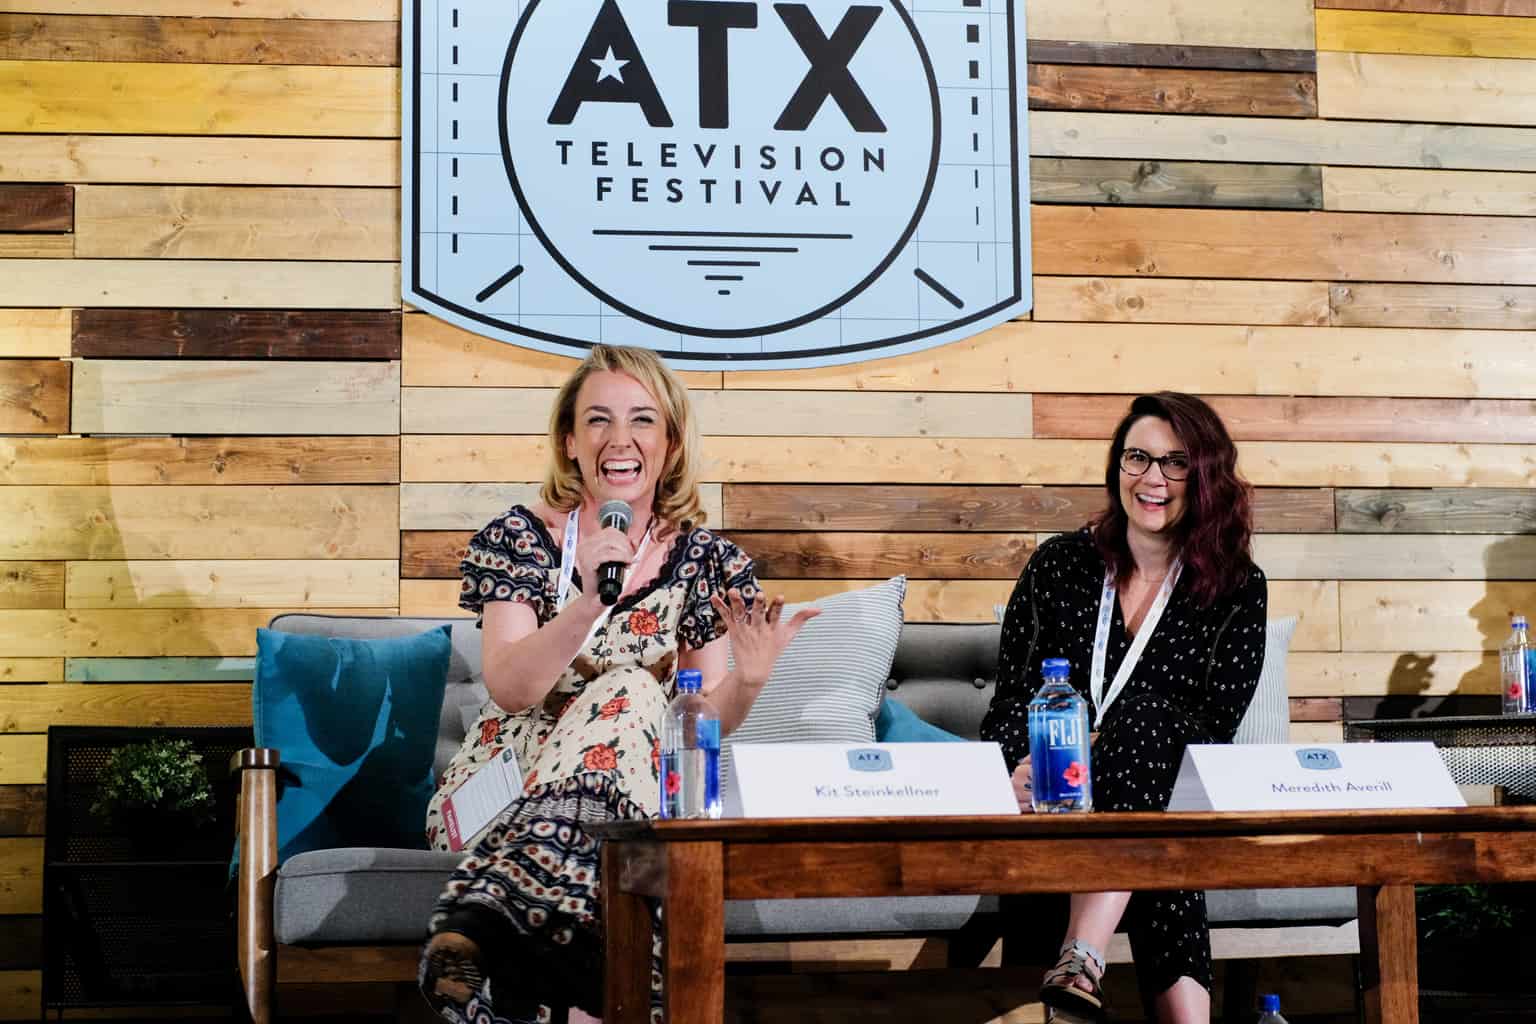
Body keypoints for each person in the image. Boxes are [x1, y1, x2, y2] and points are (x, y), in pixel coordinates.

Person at [418, 344, 817, 1024]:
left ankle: (493, 928)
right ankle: (579, 965)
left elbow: (697, 721)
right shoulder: (520, 539)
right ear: (569, 442)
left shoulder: (704, 561)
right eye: (598, 420)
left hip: (627, 798)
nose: (620, 439)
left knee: (638, 700)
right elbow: (512, 689)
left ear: (670, 443)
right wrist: (586, 602)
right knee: (631, 689)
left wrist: (750, 681)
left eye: (642, 420)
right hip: (504, 786)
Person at [980, 392, 1267, 1023]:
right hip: (1062, 799)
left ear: (1205, 475)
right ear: (1117, 467)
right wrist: (1023, 764)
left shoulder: (1237, 586)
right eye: (1138, 457)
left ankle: (1080, 957)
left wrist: (1114, 752)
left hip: (1171, 794)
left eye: (1175, 463)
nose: (1152, 478)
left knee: (1145, 721)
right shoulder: (1058, 566)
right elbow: (1006, 707)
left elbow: (1215, 727)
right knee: (1160, 856)